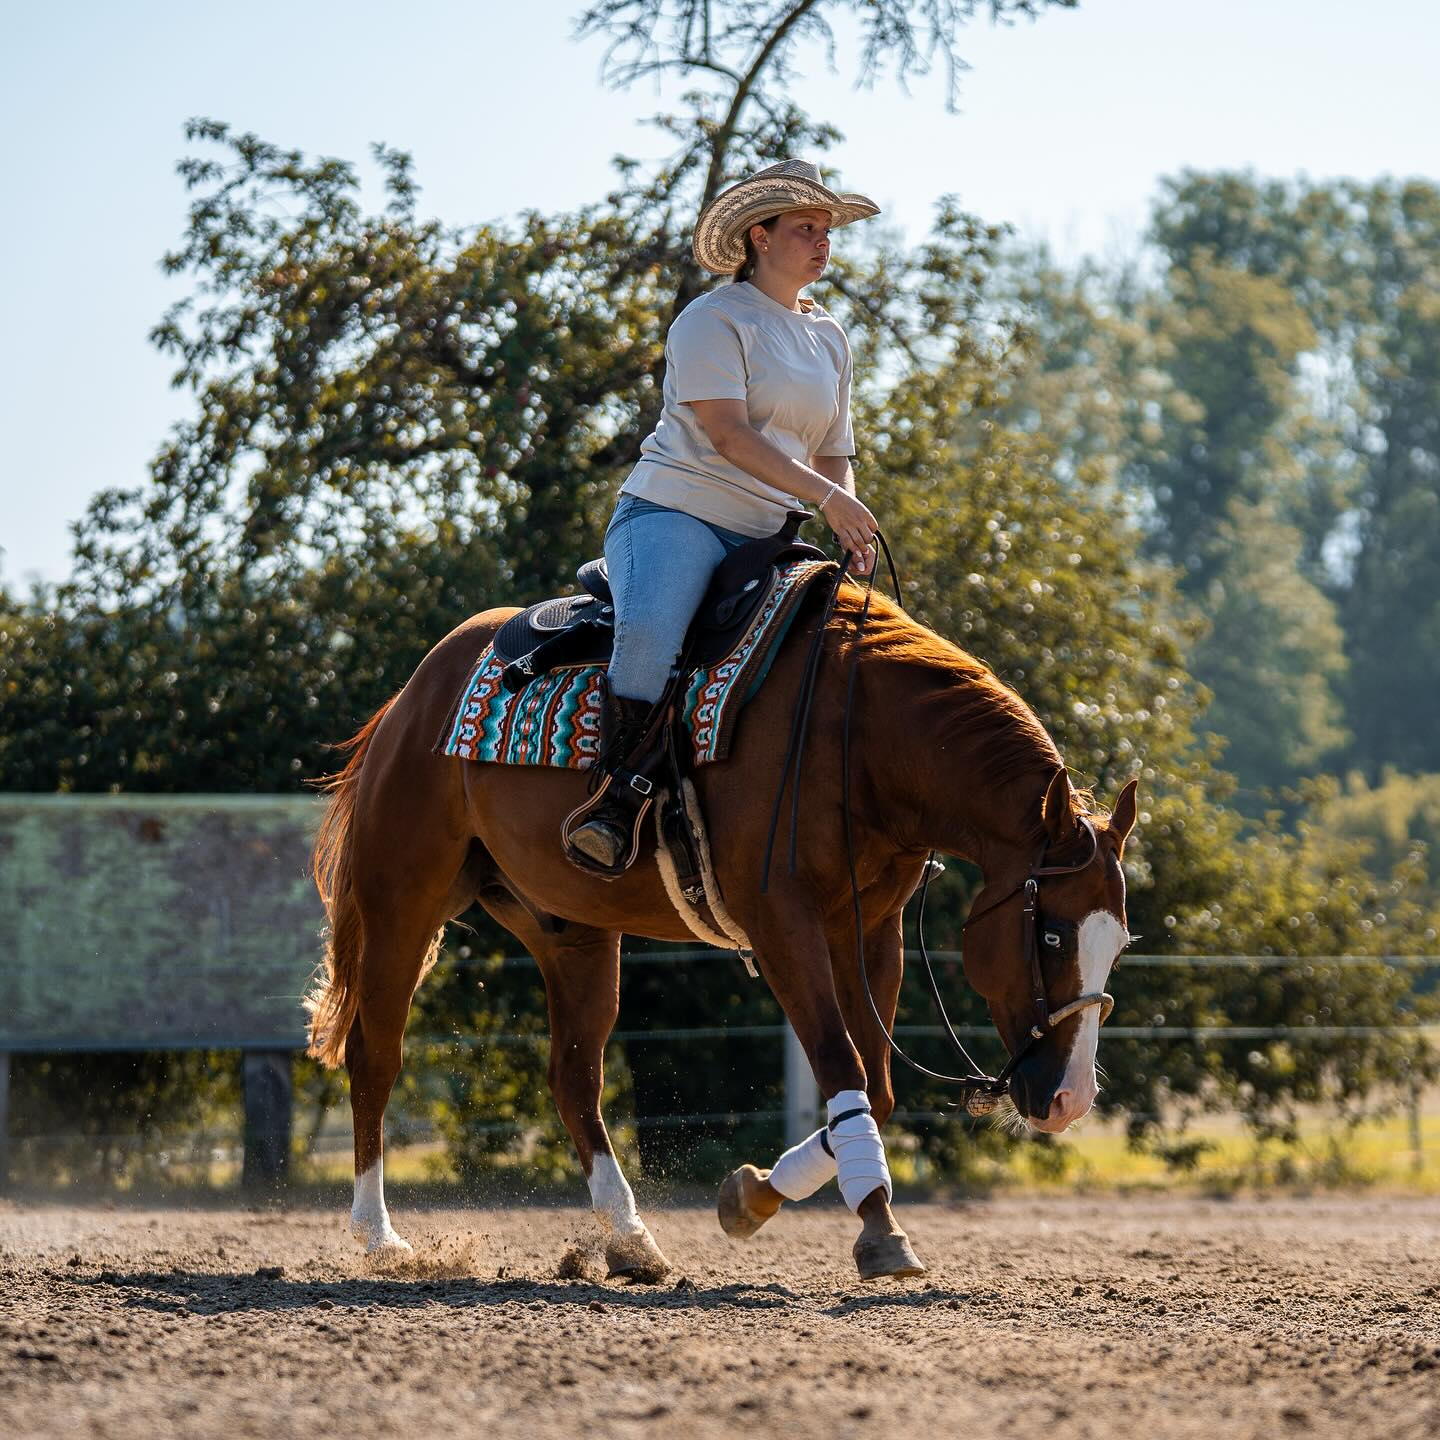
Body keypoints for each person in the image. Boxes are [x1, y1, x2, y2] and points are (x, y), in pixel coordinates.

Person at [564, 159, 882, 877]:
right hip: (679, 514)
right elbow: (730, 437)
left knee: (856, 648)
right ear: (758, 236)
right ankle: (617, 801)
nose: (823, 240)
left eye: (828, 229)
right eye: (806, 227)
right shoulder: (712, 319)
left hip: (773, 535)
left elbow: (834, 451)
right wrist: (828, 499)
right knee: (650, 630)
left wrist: (849, 522)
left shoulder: (829, 335)